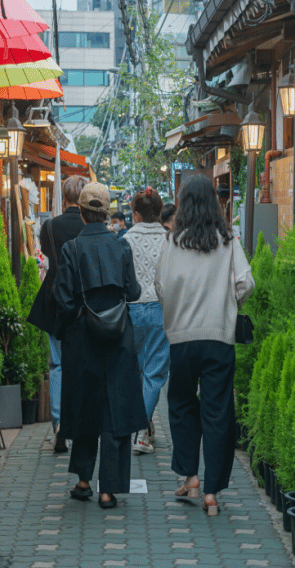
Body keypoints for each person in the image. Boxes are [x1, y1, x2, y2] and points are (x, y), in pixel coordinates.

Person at [155, 175, 254, 517]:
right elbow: (245, 282)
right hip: (218, 339)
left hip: (181, 338)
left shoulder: (171, 242)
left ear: (182, 203)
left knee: (181, 405)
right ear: (213, 202)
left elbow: (160, 286)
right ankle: (212, 493)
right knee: (218, 413)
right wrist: (227, 304)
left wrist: (177, 314)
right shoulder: (228, 240)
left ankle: (190, 477)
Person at [52, 183, 148, 509]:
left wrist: (66, 327)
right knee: (115, 410)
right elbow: (132, 291)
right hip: (119, 337)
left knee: (84, 407)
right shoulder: (122, 247)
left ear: (80, 212)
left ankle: (83, 481)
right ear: (107, 213)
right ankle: (109, 490)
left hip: (82, 339)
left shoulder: (70, 249)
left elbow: (63, 300)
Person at [27, 175, 90, 453]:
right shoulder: (91, 226)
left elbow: (44, 253)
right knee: (82, 365)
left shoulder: (50, 226)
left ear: (63, 198)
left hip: (54, 300)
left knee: (58, 365)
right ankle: (79, 421)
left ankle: (58, 423)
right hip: (84, 301)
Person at [122, 187, 170, 454]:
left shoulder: (124, 239)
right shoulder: (170, 239)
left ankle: (140, 426)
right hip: (161, 310)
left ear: (135, 213)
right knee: (155, 372)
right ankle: (142, 432)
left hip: (130, 310)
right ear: (160, 212)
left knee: (136, 371)